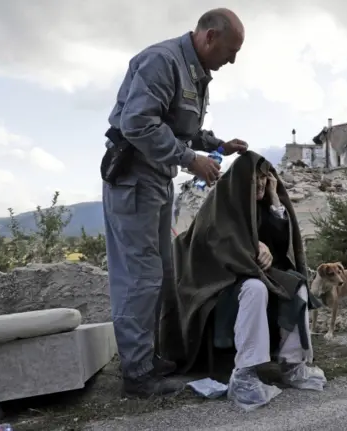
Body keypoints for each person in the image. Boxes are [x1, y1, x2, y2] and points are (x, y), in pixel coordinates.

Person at [101, 8, 248, 399]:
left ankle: (146, 358)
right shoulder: (162, 62)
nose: (232, 60)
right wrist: (190, 160)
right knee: (139, 275)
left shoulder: (195, 72)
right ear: (210, 37)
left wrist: (216, 145)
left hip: (156, 181)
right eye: (231, 51)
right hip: (133, 180)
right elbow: (137, 124)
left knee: (161, 272)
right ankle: (137, 375)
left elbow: (182, 127)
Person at [158, 151, 327, 410]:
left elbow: (282, 247)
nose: (260, 183)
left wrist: (273, 198)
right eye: (255, 178)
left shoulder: (259, 205)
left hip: (253, 273)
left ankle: (293, 364)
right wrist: (252, 246)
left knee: (296, 285)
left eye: (264, 177)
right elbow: (214, 241)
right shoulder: (220, 203)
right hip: (218, 284)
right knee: (255, 288)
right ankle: (246, 373)